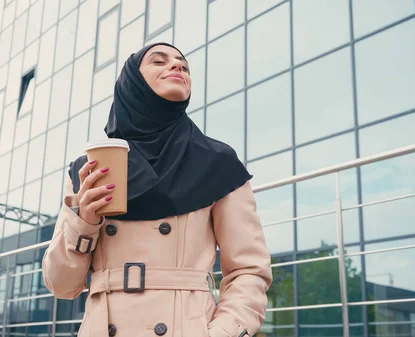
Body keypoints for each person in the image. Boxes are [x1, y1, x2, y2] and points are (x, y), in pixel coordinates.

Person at [42, 42, 272, 337]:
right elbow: (61, 285)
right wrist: (84, 223)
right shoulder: (88, 170)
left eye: (183, 65)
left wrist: (222, 333)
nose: (176, 67)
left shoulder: (217, 162)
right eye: (159, 61)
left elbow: (248, 270)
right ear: (132, 83)